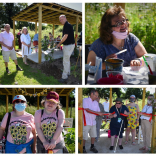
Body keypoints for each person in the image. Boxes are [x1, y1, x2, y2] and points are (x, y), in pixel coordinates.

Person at [57, 15, 75, 83]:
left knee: (65, 61)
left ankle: (64, 77)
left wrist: (59, 44)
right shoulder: (67, 25)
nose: (61, 21)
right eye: (60, 20)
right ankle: (68, 72)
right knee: (67, 60)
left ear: (65, 18)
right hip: (70, 45)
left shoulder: (67, 25)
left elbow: (65, 36)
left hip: (68, 46)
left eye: (62, 19)